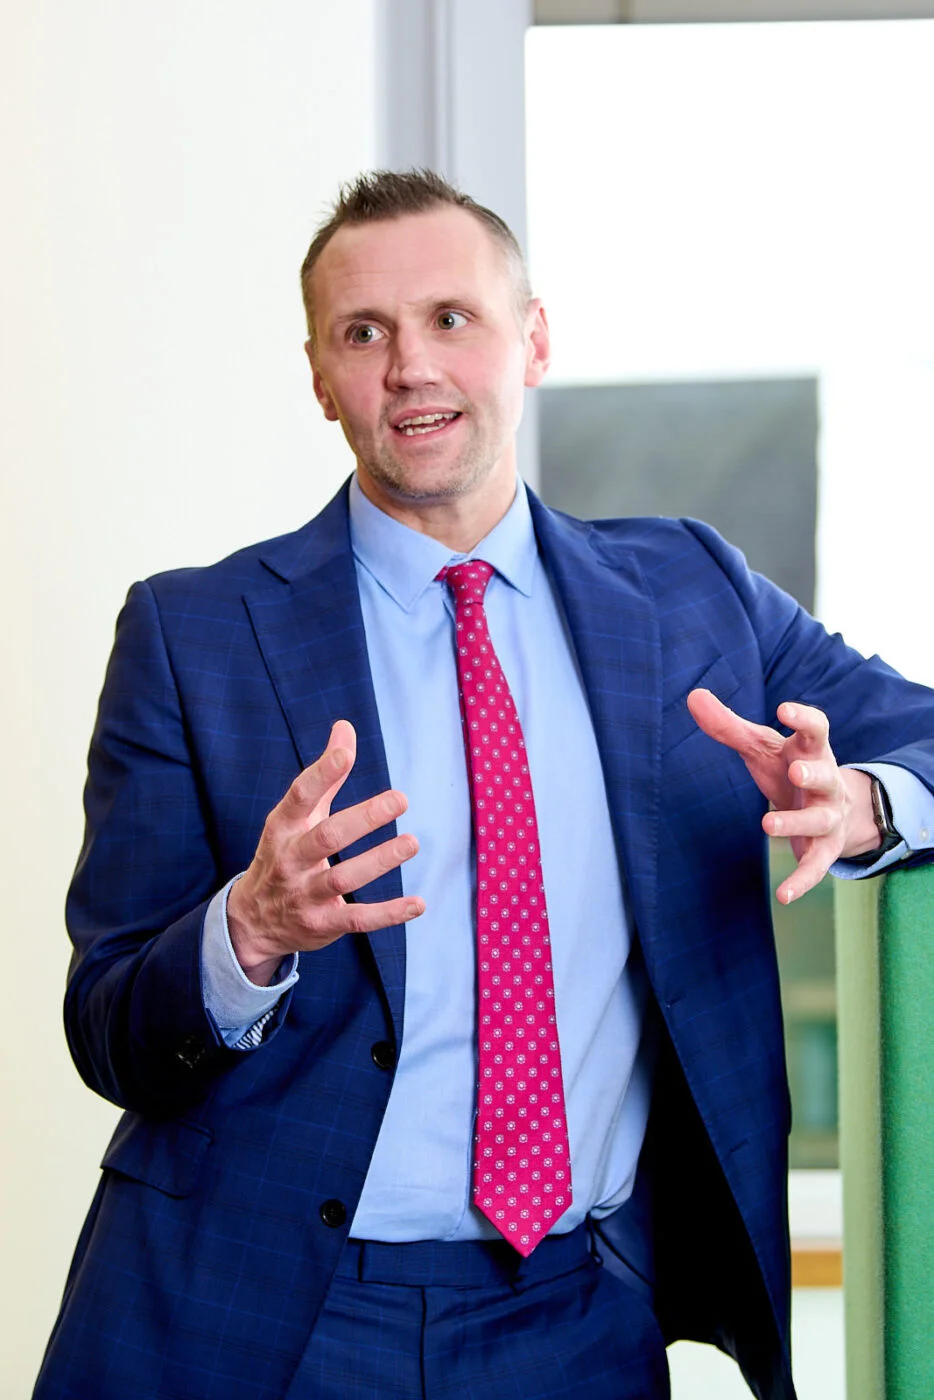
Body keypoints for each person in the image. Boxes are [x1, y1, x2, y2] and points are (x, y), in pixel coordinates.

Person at [35, 170, 934, 1400]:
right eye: (365, 333)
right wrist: (242, 934)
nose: (410, 364)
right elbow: (106, 1022)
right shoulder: (193, 635)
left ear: (534, 341)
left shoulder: (689, 593)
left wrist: (868, 803)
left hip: (579, 1312)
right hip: (269, 1316)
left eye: (451, 318)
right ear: (319, 376)